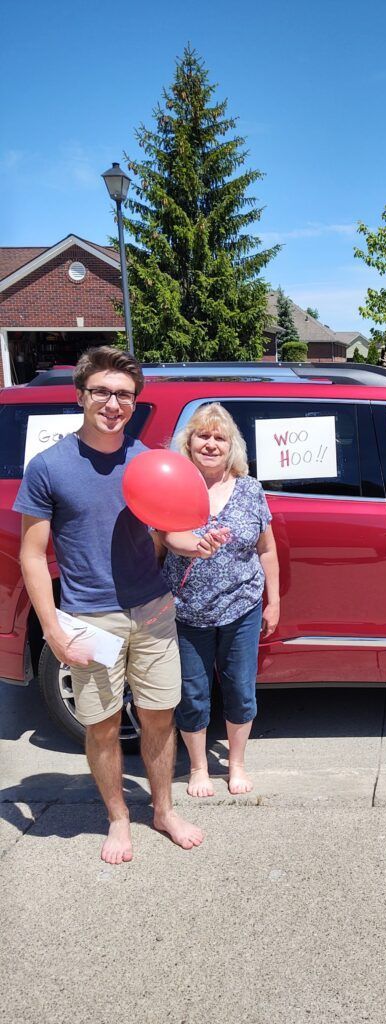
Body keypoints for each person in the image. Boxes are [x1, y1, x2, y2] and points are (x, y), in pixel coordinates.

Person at [15, 346, 225, 864]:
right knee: (103, 725)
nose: (113, 404)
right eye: (102, 392)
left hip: (152, 610)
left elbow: (167, 532)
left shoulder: (147, 461)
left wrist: (195, 543)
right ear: (80, 395)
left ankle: (163, 810)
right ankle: (117, 817)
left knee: (159, 718)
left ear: (135, 402)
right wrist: (53, 631)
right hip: (91, 618)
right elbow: (32, 556)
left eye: (125, 395)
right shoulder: (48, 467)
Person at [163, 403, 280, 798]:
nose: (211, 444)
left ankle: (236, 764)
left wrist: (273, 602)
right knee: (192, 693)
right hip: (185, 610)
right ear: (189, 442)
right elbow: (164, 538)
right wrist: (193, 546)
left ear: (232, 446)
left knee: (240, 690)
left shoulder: (250, 489)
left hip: (242, 607)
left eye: (220, 437)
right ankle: (198, 767)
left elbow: (267, 549)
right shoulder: (174, 486)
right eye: (203, 436)